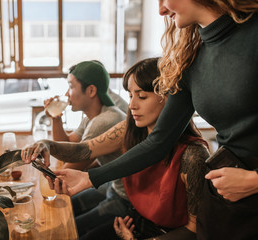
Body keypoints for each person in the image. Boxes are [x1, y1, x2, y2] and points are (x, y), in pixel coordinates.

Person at [25, 1, 258, 239]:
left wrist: (254, 180)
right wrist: (88, 178)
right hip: (229, 198)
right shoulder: (190, 57)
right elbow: (157, 143)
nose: (160, 10)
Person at [22, 58, 209, 239]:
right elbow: (83, 150)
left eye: (142, 96)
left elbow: (196, 229)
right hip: (134, 218)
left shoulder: (193, 156)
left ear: (169, 99)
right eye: (130, 95)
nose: (133, 105)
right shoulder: (130, 129)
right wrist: (48, 145)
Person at [44, 61, 126, 170]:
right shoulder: (91, 117)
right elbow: (67, 143)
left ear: (91, 90)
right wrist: (56, 117)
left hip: (118, 187)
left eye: (71, 87)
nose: (66, 94)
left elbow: (70, 168)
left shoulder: (103, 121)